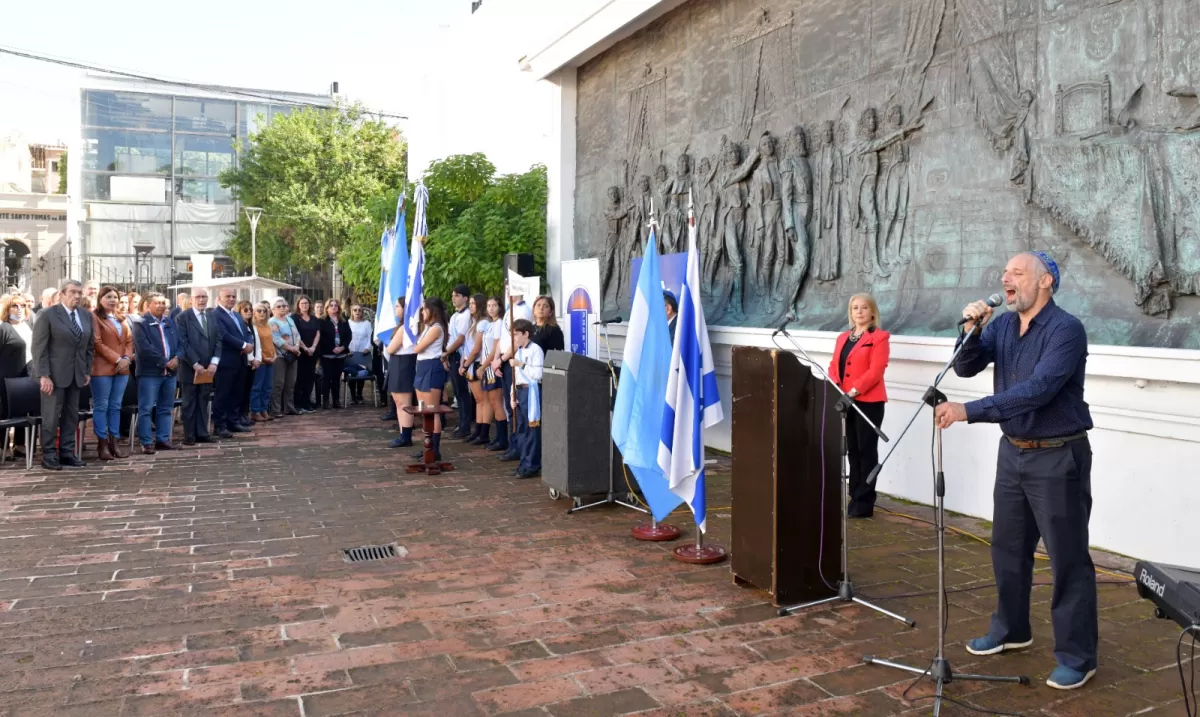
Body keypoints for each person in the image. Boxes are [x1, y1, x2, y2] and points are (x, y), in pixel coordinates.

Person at [935, 251, 1097, 691]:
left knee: (1067, 559)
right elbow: (967, 366)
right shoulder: (1004, 324)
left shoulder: (1066, 330)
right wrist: (971, 329)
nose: (1006, 278)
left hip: (1058, 456)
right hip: (1014, 453)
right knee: (1007, 549)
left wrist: (968, 412)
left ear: (1045, 282)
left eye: (1017, 273)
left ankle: (1078, 656)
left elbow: (1037, 391)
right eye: (1004, 272)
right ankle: (1011, 630)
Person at [827, 293, 890, 518]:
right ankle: (854, 495)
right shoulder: (843, 337)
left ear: (872, 312)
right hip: (846, 401)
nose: (859, 311)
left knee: (866, 450)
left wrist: (852, 392)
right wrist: (836, 386)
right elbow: (835, 364)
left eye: (864, 308)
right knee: (852, 449)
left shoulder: (880, 337)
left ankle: (865, 501)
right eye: (855, 308)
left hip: (868, 401)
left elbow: (876, 371)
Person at [31, 280, 93, 470]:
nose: (77, 296)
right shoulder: (48, 315)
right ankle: (49, 454)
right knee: (51, 416)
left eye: (79, 293)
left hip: (76, 374)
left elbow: (89, 346)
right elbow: (39, 348)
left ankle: (67, 452)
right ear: (62, 294)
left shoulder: (85, 315)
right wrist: (43, 374)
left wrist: (86, 370)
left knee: (71, 415)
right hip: (53, 376)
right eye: (73, 292)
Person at [131, 293, 180, 454]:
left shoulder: (169, 322)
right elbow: (144, 348)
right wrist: (165, 361)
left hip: (170, 373)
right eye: (157, 303)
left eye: (163, 303)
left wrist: (177, 357)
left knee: (166, 407)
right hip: (150, 373)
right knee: (146, 408)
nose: (161, 306)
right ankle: (146, 442)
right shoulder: (141, 323)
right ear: (148, 305)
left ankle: (163, 439)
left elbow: (180, 343)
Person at [90, 286, 133, 461]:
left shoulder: (122, 318)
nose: (113, 300)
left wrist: (127, 358)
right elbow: (97, 343)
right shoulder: (95, 317)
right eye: (108, 297)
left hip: (122, 368)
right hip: (102, 368)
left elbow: (129, 341)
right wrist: (117, 359)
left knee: (116, 406)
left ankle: (115, 442)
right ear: (100, 299)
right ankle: (102, 444)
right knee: (102, 406)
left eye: (115, 297)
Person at [176, 287, 220, 445]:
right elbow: (183, 342)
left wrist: (214, 362)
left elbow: (218, 340)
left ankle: (202, 433)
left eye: (204, 297)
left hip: (209, 368)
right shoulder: (182, 317)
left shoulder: (211, 316)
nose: (202, 300)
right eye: (198, 297)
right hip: (190, 368)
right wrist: (195, 363)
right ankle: (189, 435)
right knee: (189, 402)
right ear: (191, 299)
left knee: (203, 399)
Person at [212, 288, 254, 437]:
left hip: (240, 360)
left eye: (233, 296)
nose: (231, 299)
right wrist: (243, 345)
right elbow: (223, 335)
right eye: (227, 296)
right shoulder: (216, 315)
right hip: (226, 360)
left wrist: (248, 344)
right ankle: (220, 425)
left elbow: (248, 332)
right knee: (223, 394)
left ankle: (234, 421)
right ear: (219, 298)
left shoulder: (236, 315)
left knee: (237, 392)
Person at [412, 297, 449, 460]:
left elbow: (418, 347)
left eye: (424, 309)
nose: (422, 312)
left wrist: (415, 345)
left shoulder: (436, 328)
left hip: (432, 367)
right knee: (423, 410)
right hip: (422, 366)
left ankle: (435, 448)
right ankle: (427, 444)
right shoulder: (426, 327)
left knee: (432, 409)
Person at [510, 319, 544, 479]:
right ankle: (523, 462)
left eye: (516, 334)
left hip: (531, 392)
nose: (514, 337)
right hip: (520, 392)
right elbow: (515, 376)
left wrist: (521, 364)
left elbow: (538, 375)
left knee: (532, 430)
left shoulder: (535, 350)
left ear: (526, 334)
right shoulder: (519, 351)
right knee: (522, 430)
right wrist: (512, 394)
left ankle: (532, 464)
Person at [384, 297, 418, 448]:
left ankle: (406, 436)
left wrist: (390, 346)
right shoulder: (401, 326)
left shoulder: (406, 327)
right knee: (398, 402)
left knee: (404, 402)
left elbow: (391, 348)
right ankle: (402, 432)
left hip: (403, 362)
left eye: (398, 306)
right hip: (397, 362)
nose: (395, 309)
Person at [444, 285, 474, 438]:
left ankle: (466, 425)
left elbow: (461, 339)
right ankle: (461, 421)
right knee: (456, 391)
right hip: (453, 355)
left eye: (457, 295)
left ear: (465, 298)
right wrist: (447, 354)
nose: (453, 298)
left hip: (462, 355)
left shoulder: (467, 315)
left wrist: (445, 353)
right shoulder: (455, 316)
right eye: (453, 295)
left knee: (463, 392)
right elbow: (450, 337)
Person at [460, 293, 491, 446]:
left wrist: (466, 364)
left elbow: (477, 348)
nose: (471, 306)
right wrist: (463, 363)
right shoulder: (473, 322)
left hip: (477, 363)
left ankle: (484, 432)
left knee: (484, 400)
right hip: (469, 363)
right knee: (478, 400)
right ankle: (477, 430)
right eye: (470, 303)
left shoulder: (483, 323)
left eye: (473, 303)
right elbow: (467, 346)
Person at [481, 296, 509, 452]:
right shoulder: (490, 325)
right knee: (492, 402)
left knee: (497, 403)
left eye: (494, 305)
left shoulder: (499, 324)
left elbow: (495, 349)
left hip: (493, 367)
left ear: (500, 307)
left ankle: (503, 439)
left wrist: (485, 365)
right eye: (488, 305)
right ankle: (498, 437)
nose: (491, 308)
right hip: (487, 368)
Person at [269, 299, 301, 417]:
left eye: (284, 306)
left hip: (293, 355)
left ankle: (289, 407)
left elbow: (297, 334)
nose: (282, 308)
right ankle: (276, 409)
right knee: (278, 383)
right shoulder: (272, 322)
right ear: (273, 310)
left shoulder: (290, 319)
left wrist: (297, 346)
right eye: (279, 306)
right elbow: (276, 339)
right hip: (280, 356)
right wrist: (292, 348)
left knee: (291, 383)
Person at [316, 298, 350, 409]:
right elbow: (321, 338)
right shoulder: (322, 321)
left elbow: (349, 335)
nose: (334, 307)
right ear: (327, 308)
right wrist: (332, 348)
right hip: (327, 354)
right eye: (331, 305)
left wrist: (343, 347)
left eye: (336, 305)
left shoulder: (343, 320)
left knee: (336, 378)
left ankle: (336, 400)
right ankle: (326, 401)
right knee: (326, 378)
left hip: (340, 354)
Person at [291, 296, 320, 414]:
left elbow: (318, 333)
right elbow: (296, 334)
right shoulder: (294, 318)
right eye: (302, 303)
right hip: (300, 352)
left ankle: (306, 401)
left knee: (310, 378)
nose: (304, 305)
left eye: (306, 303)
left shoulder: (314, 318)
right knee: (299, 378)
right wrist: (305, 348)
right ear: (298, 305)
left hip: (312, 353)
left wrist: (313, 347)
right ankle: (297, 403)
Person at [250, 301, 277, 422]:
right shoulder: (253, 327)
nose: (262, 313)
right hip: (260, 361)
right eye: (259, 311)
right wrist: (263, 358)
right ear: (254, 313)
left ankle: (264, 409)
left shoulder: (267, 325)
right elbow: (255, 345)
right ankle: (255, 411)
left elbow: (271, 342)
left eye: (264, 311)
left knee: (267, 387)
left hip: (270, 360)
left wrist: (275, 354)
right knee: (257, 387)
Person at [0, 293, 34, 379]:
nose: (19, 309)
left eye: (22, 306)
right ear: (7, 310)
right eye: (14, 306)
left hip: (30, 373)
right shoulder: (4, 328)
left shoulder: (27, 326)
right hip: (10, 378)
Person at [345, 304, 373, 405]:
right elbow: (345, 337)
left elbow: (370, 337)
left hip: (363, 353)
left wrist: (367, 348)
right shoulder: (347, 323)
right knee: (352, 373)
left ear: (362, 312)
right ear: (352, 312)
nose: (357, 312)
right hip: (351, 353)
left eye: (359, 310)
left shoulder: (367, 323)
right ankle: (353, 396)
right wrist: (347, 349)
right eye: (355, 310)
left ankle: (359, 394)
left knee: (362, 372)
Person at [236, 301, 258, 425]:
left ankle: (244, 414)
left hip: (251, 363)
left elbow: (256, 344)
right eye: (245, 309)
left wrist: (257, 359)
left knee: (247, 390)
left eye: (250, 309)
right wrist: (251, 358)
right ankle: (240, 415)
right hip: (244, 362)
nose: (249, 311)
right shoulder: (240, 326)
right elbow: (245, 345)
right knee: (241, 390)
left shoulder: (251, 325)